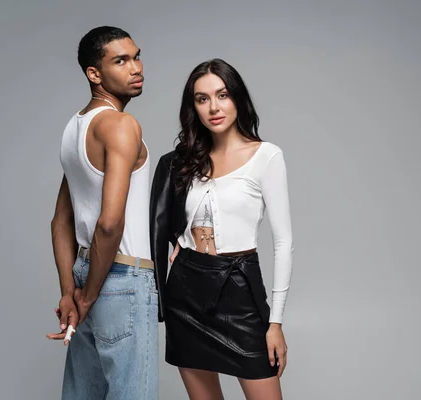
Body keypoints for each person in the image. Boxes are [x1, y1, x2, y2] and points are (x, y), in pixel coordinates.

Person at [150, 58, 293, 400]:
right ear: (193, 107)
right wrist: (178, 242)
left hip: (239, 289)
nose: (213, 107)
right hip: (185, 291)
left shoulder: (266, 157)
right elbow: (163, 219)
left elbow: (283, 242)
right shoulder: (181, 162)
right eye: (202, 99)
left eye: (222, 95)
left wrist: (275, 322)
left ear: (237, 99)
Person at [46, 26, 159, 400]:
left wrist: (70, 291)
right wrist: (89, 296)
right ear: (94, 74)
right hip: (121, 277)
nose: (135, 67)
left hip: (84, 274)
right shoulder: (121, 126)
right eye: (121, 60)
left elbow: (60, 221)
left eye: (136, 56)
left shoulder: (73, 128)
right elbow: (109, 223)